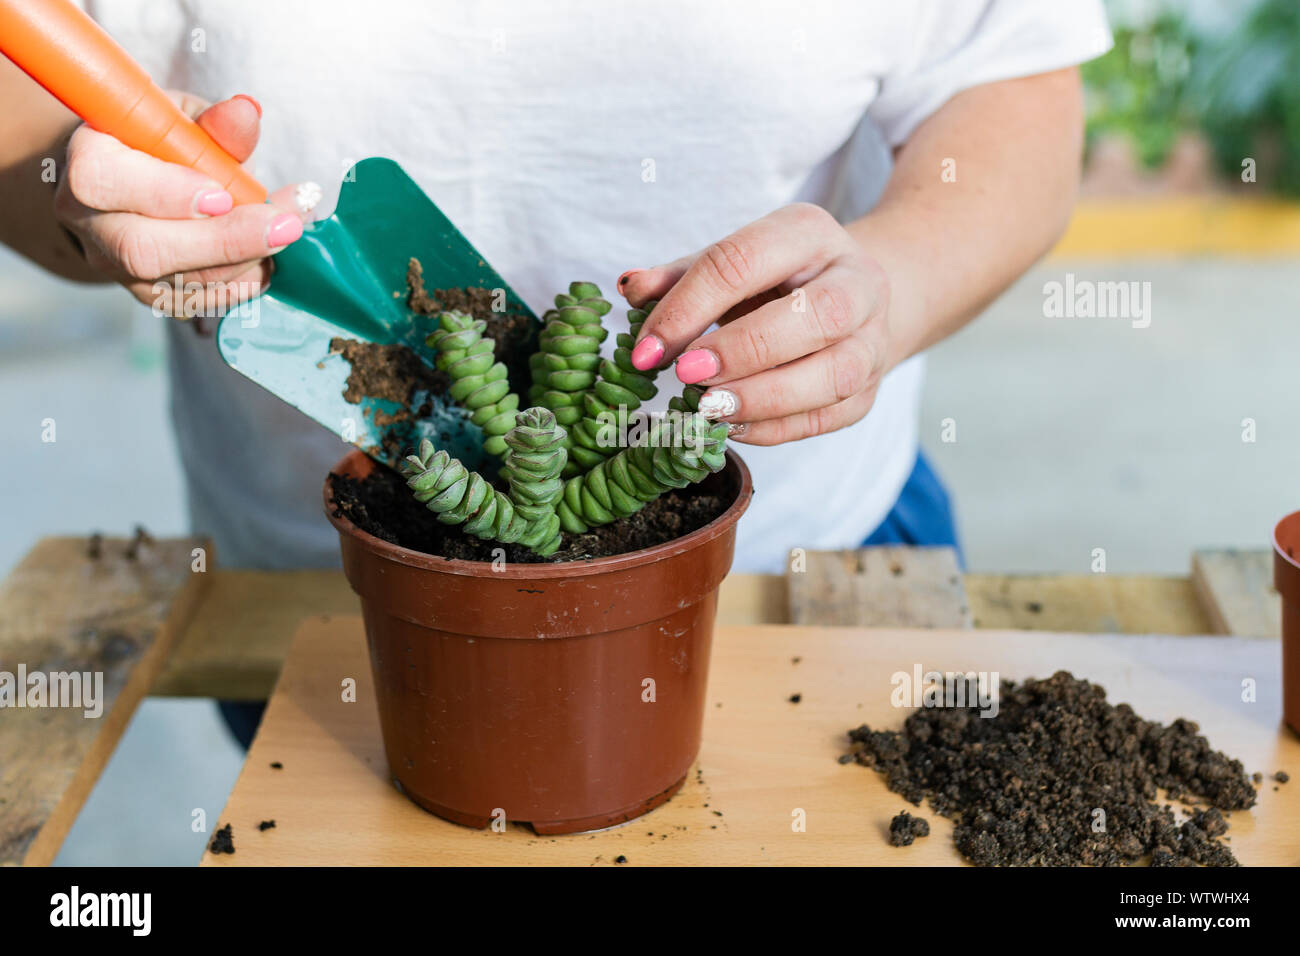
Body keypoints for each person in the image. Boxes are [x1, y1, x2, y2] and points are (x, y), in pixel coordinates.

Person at [2, 2, 1109, 576]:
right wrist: (79, 200)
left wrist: (894, 283)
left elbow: (1008, 76)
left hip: (808, 552)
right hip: (333, 590)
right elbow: (27, 146)